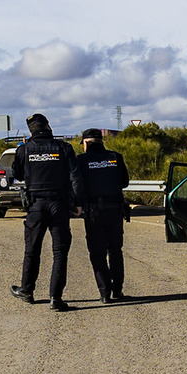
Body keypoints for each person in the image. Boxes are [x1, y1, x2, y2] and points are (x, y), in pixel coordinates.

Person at [10, 113, 83, 311]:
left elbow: (16, 175)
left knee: (32, 250)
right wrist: (77, 203)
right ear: (48, 126)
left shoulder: (24, 150)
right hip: (58, 204)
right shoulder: (63, 148)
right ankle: (55, 298)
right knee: (60, 253)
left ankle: (27, 290)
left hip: (36, 205)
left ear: (30, 130)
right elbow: (75, 177)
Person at [77, 128, 130, 303]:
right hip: (115, 210)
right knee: (115, 251)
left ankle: (105, 292)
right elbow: (124, 182)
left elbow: (77, 186)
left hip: (94, 213)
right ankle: (118, 290)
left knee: (97, 253)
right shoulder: (116, 157)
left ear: (85, 143)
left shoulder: (81, 161)